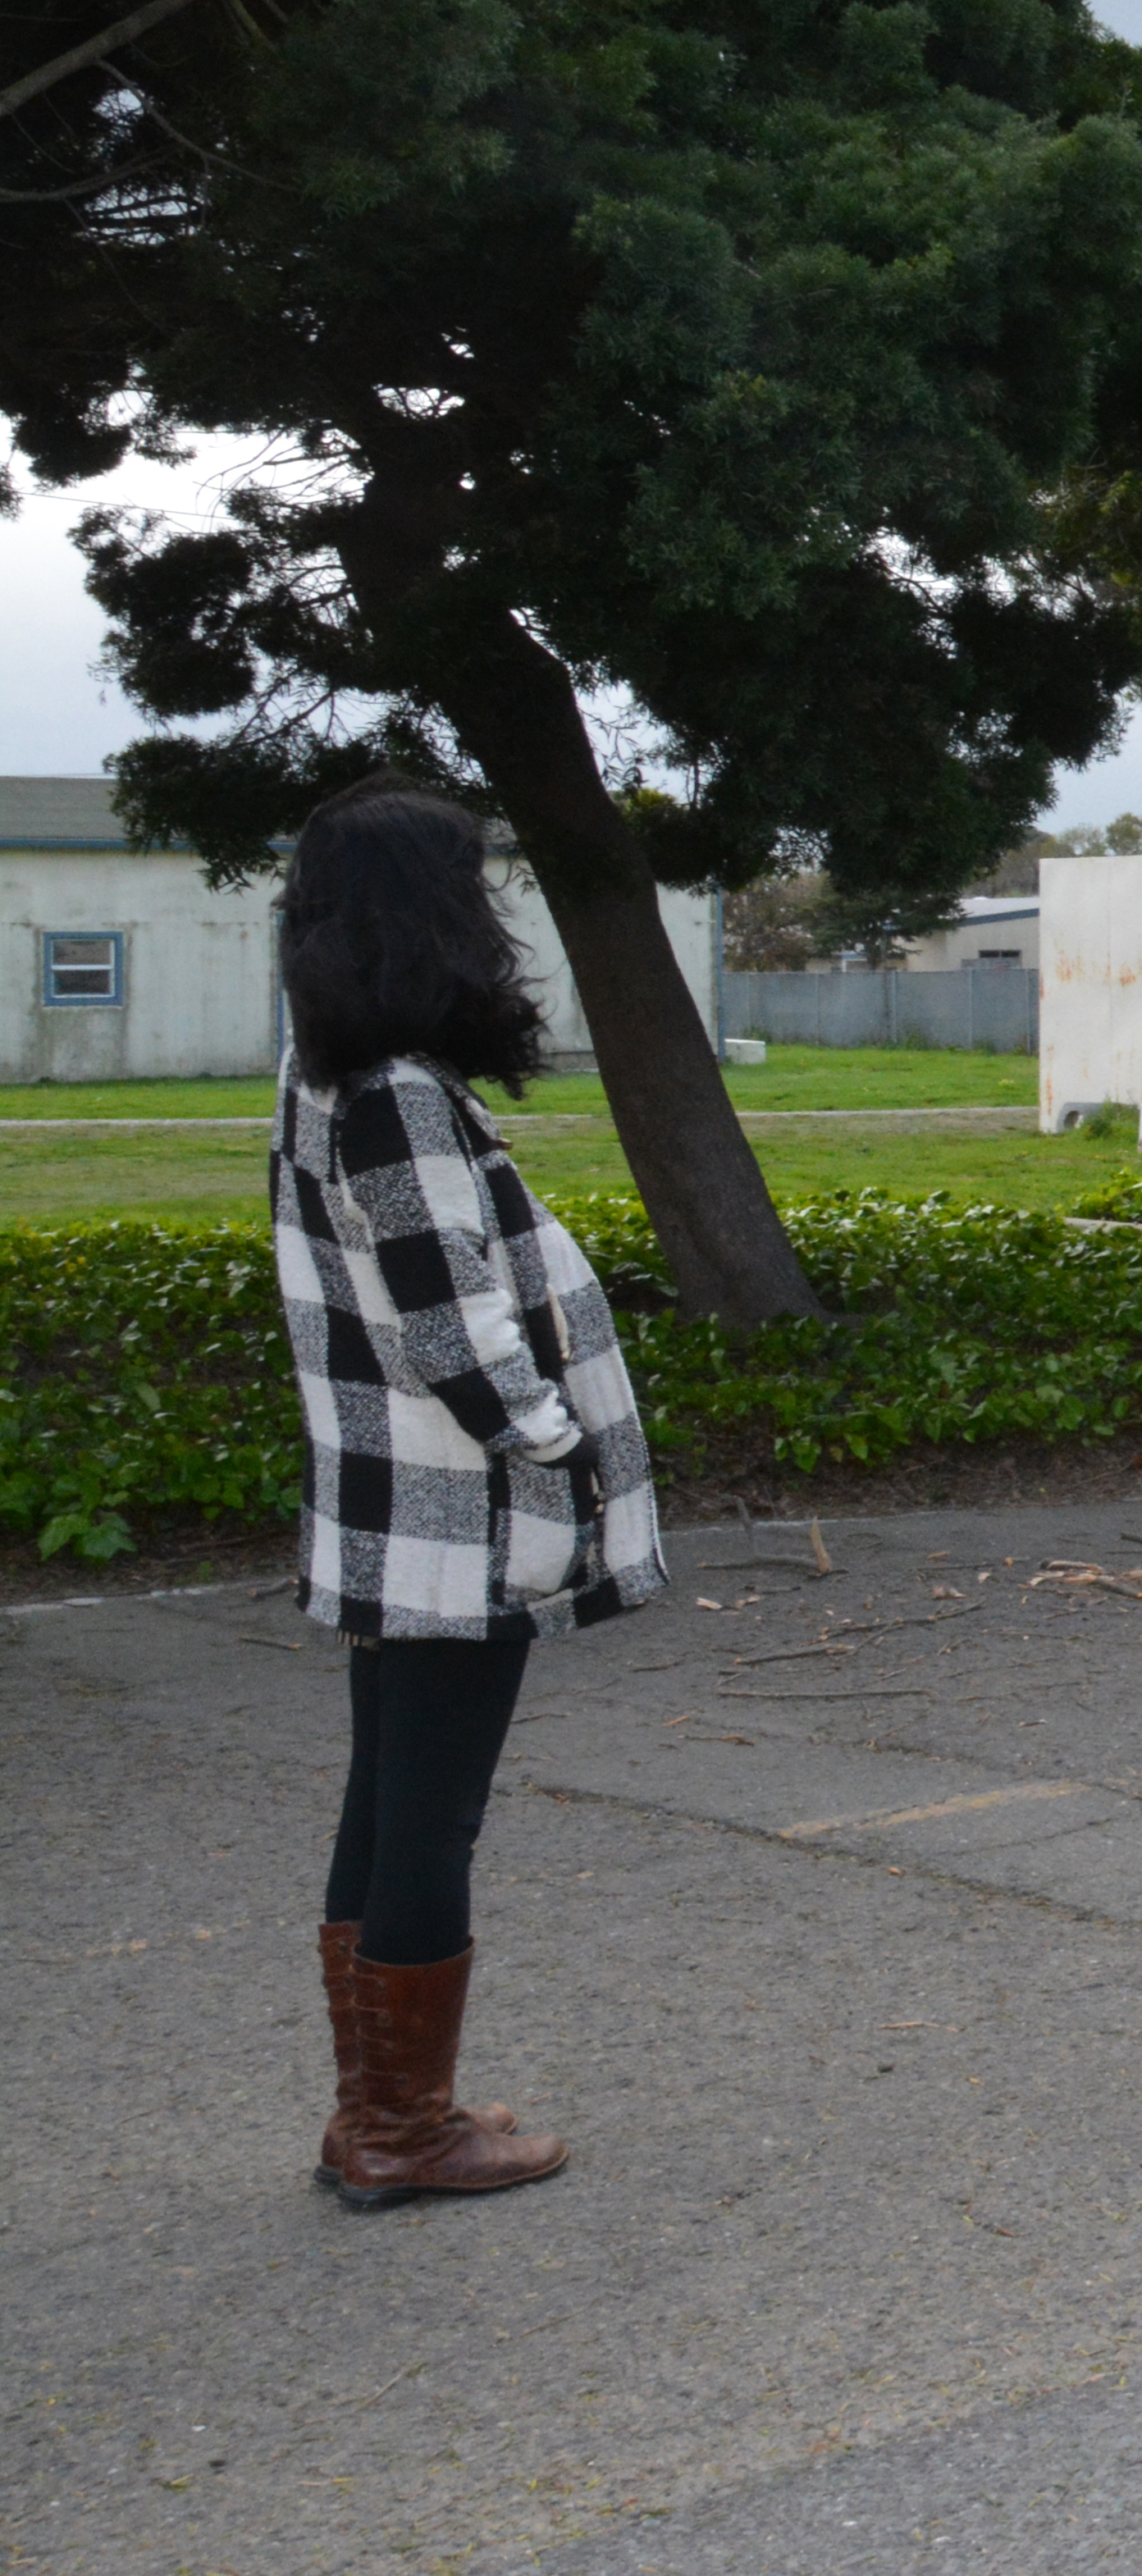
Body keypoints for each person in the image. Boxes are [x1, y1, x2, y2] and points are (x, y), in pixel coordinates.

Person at [271, 776, 666, 2208]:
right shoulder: (398, 1104)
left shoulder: (330, 1080)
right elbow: (456, 1335)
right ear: (428, 916)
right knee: (430, 1818)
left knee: (388, 1804)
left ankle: (378, 2109)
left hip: (396, 1523)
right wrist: (559, 1447)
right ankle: (401, 2128)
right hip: (462, 1524)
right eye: (473, 889)